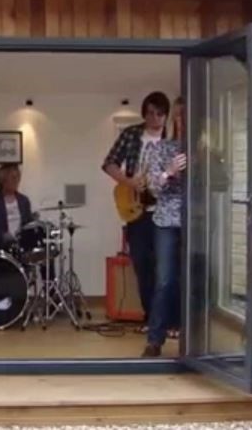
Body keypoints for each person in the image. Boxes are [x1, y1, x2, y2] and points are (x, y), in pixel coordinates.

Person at [102, 91, 171, 333]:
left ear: (166, 115)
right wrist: (128, 181)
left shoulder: (172, 137)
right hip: (136, 210)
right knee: (142, 264)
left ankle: (170, 321)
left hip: (165, 211)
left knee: (166, 268)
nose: (155, 118)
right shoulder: (132, 134)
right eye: (150, 113)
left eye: (160, 113)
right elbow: (109, 163)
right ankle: (150, 319)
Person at [140, 127, 186, 357]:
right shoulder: (161, 148)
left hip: (197, 221)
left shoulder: (206, 147)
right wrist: (169, 172)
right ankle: (155, 340)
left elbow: (222, 181)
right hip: (166, 222)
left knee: (197, 281)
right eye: (179, 116)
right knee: (165, 280)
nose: (183, 121)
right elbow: (153, 189)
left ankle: (196, 342)